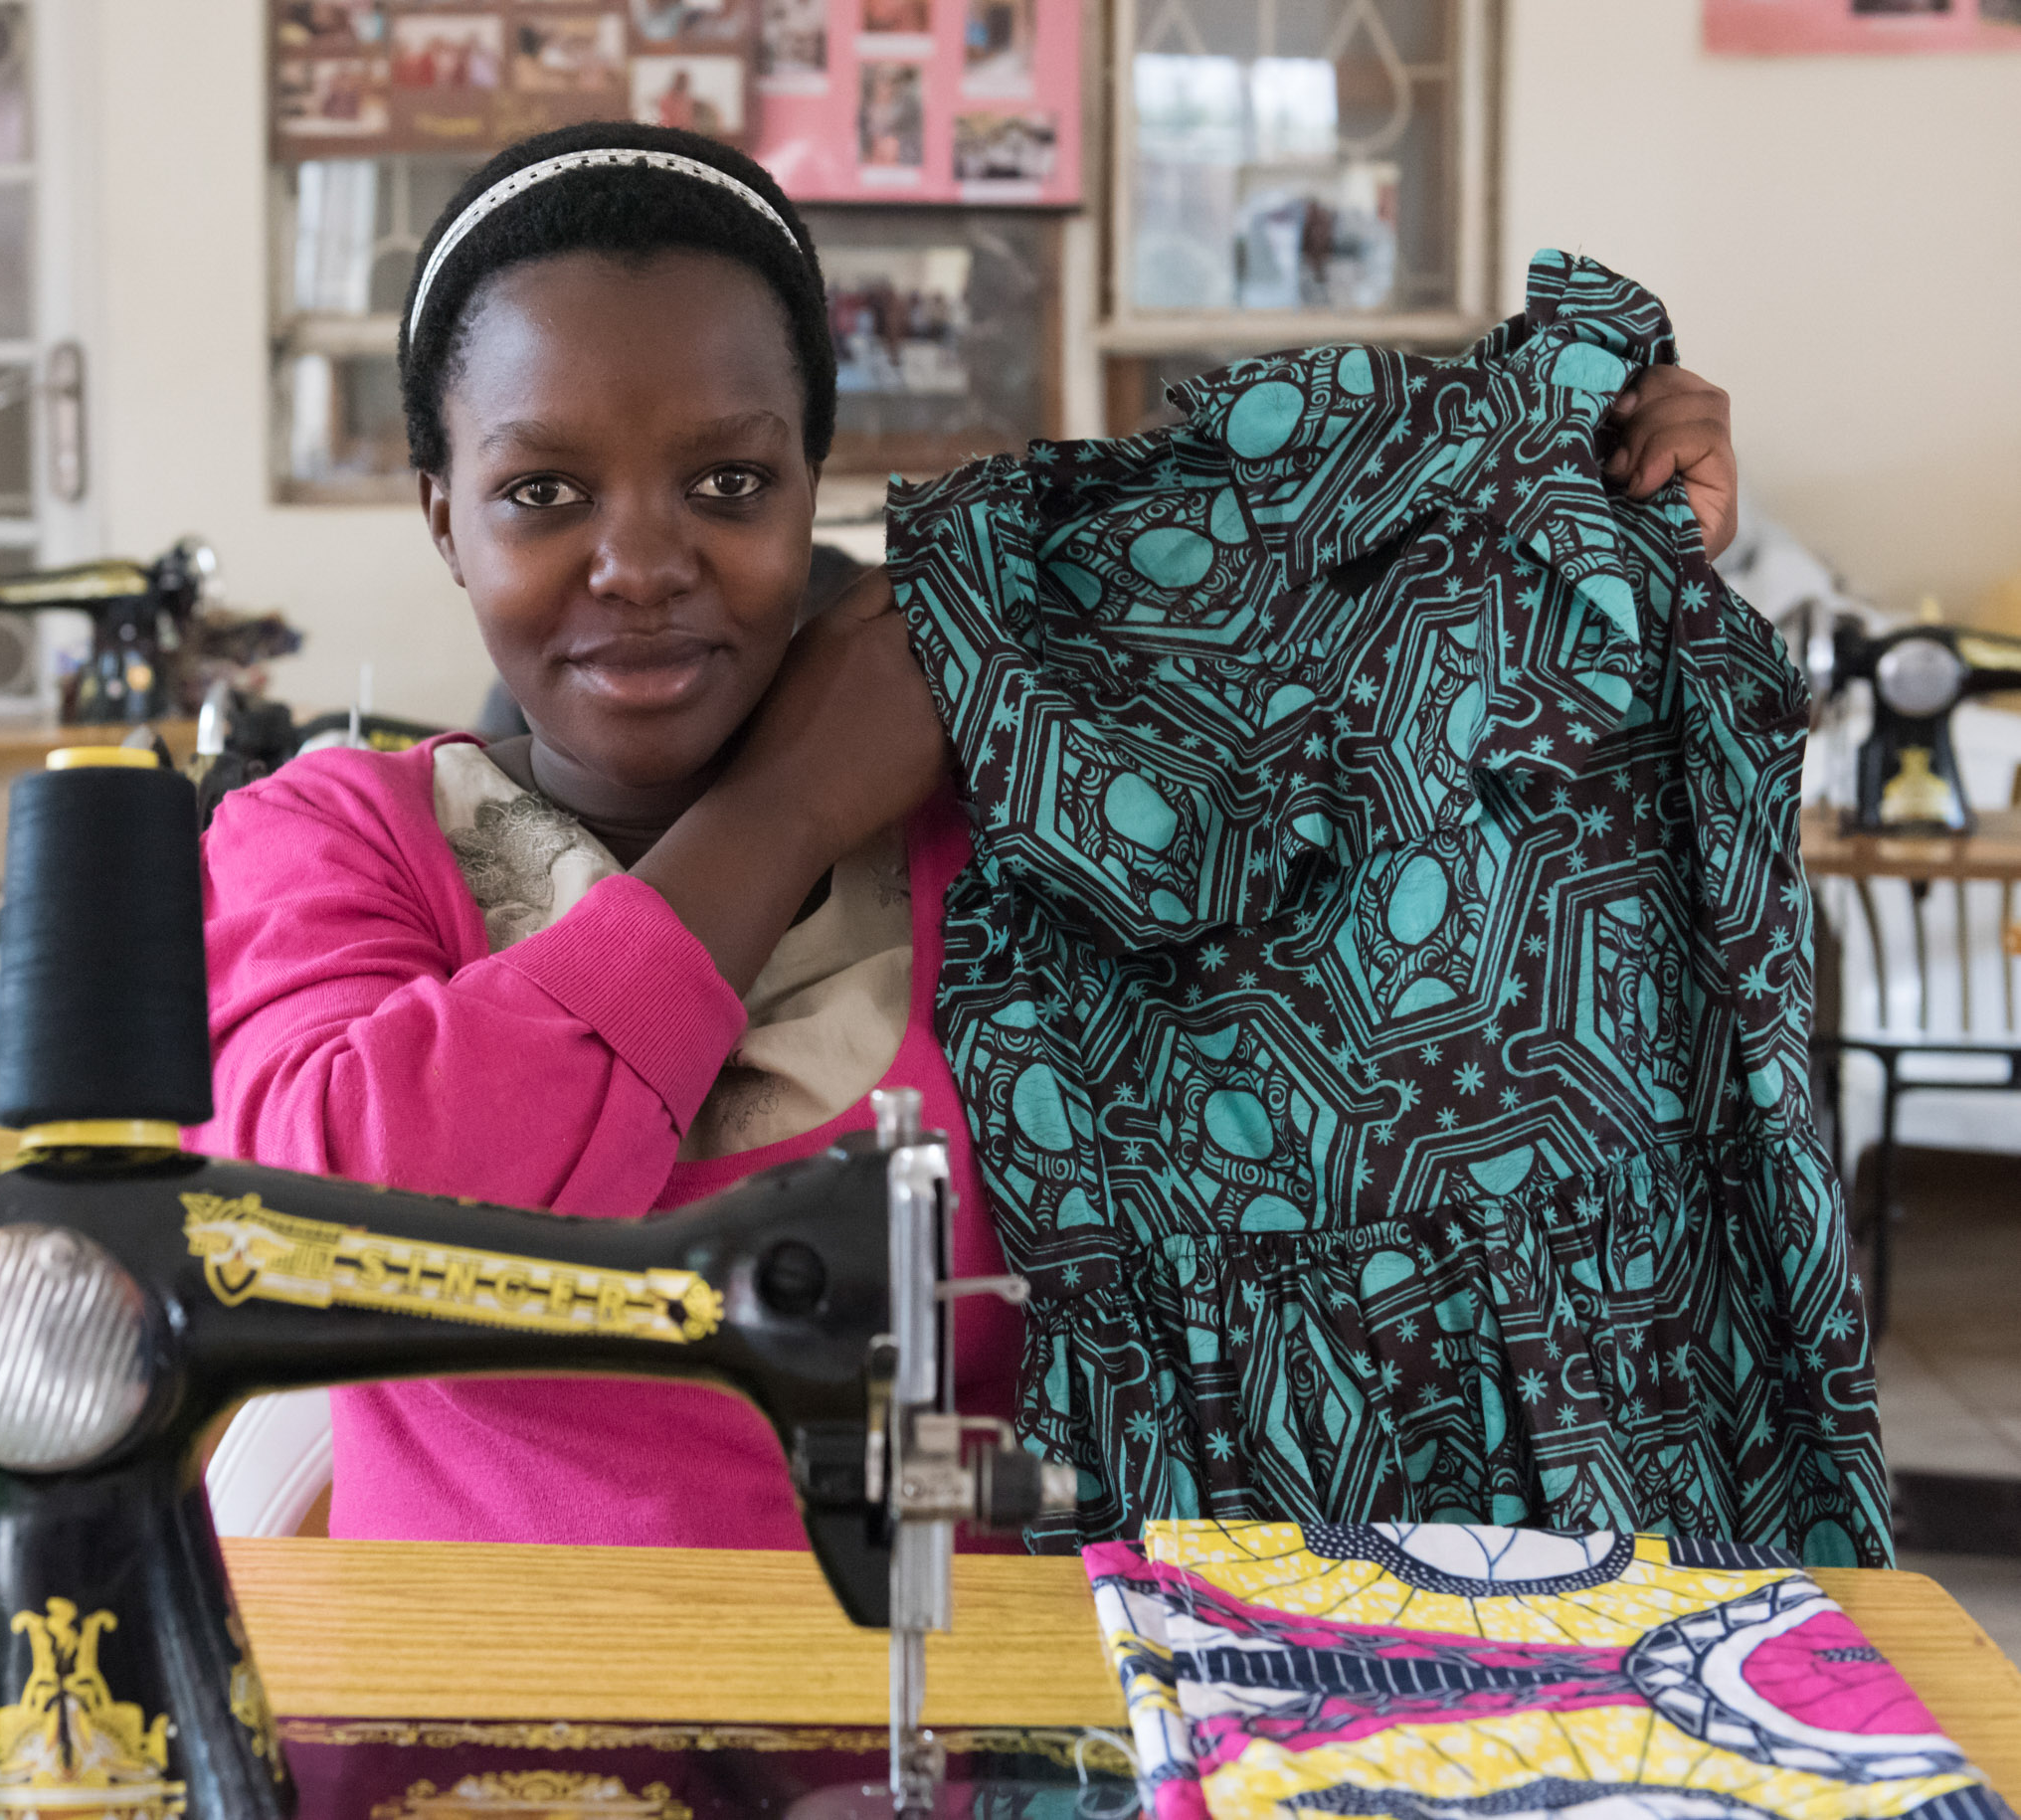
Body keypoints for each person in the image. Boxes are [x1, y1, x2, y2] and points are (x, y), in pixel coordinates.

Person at [194, 121, 1745, 1548]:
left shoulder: (1018, 813)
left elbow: (1409, 787)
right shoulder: (329, 839)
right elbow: (333, 1226)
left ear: (814, 488)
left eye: (731, 481)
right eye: (543, 490)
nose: (643, 562)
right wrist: (781, 811)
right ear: (442, 513)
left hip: (989, 1708)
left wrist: (1572, 524)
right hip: (475, 1730)